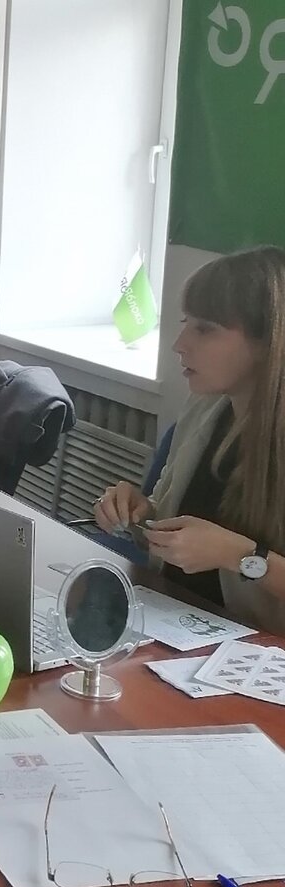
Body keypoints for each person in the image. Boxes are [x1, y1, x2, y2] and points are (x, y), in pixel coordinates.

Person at [95, 246, 285, 634]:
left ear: (268, 341)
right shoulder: (204, 408)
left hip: (257, 652)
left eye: (205, 328)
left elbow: (224, 552)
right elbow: (170, 530)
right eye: (186, 323)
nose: (179, 343)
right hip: (176, 624)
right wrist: (137, 513)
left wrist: (239, 555)